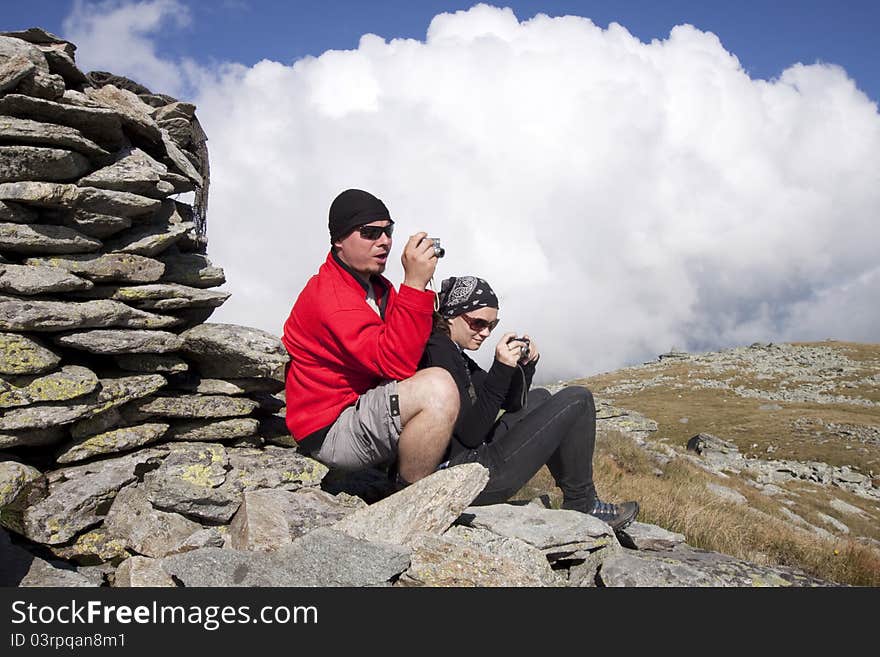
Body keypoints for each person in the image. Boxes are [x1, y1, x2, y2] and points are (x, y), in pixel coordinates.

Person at [418, 275, 640, 530]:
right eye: (478, 323)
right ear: (451, 314)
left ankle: (580, 498)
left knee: (540, 398)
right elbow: (469, 433)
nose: (485, 333)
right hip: (466, 478)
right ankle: (583, 501)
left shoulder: (455, 353)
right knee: (578, 399)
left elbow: (512, 404)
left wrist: (524, 367)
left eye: (492, 325)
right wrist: (501, 368)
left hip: (469, 463)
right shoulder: (439, 353)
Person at [281, 189, 459, 485]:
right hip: (330, 430)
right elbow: (396, 363)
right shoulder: (332, 298)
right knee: (438, 390)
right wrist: (414, 284)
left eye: (388, 231)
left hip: (356, 406)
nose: (385, 241)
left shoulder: (373, 286)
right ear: (338, 239)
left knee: (437, 366)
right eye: (369, 232)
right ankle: (410, 495)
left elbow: (405, 343)